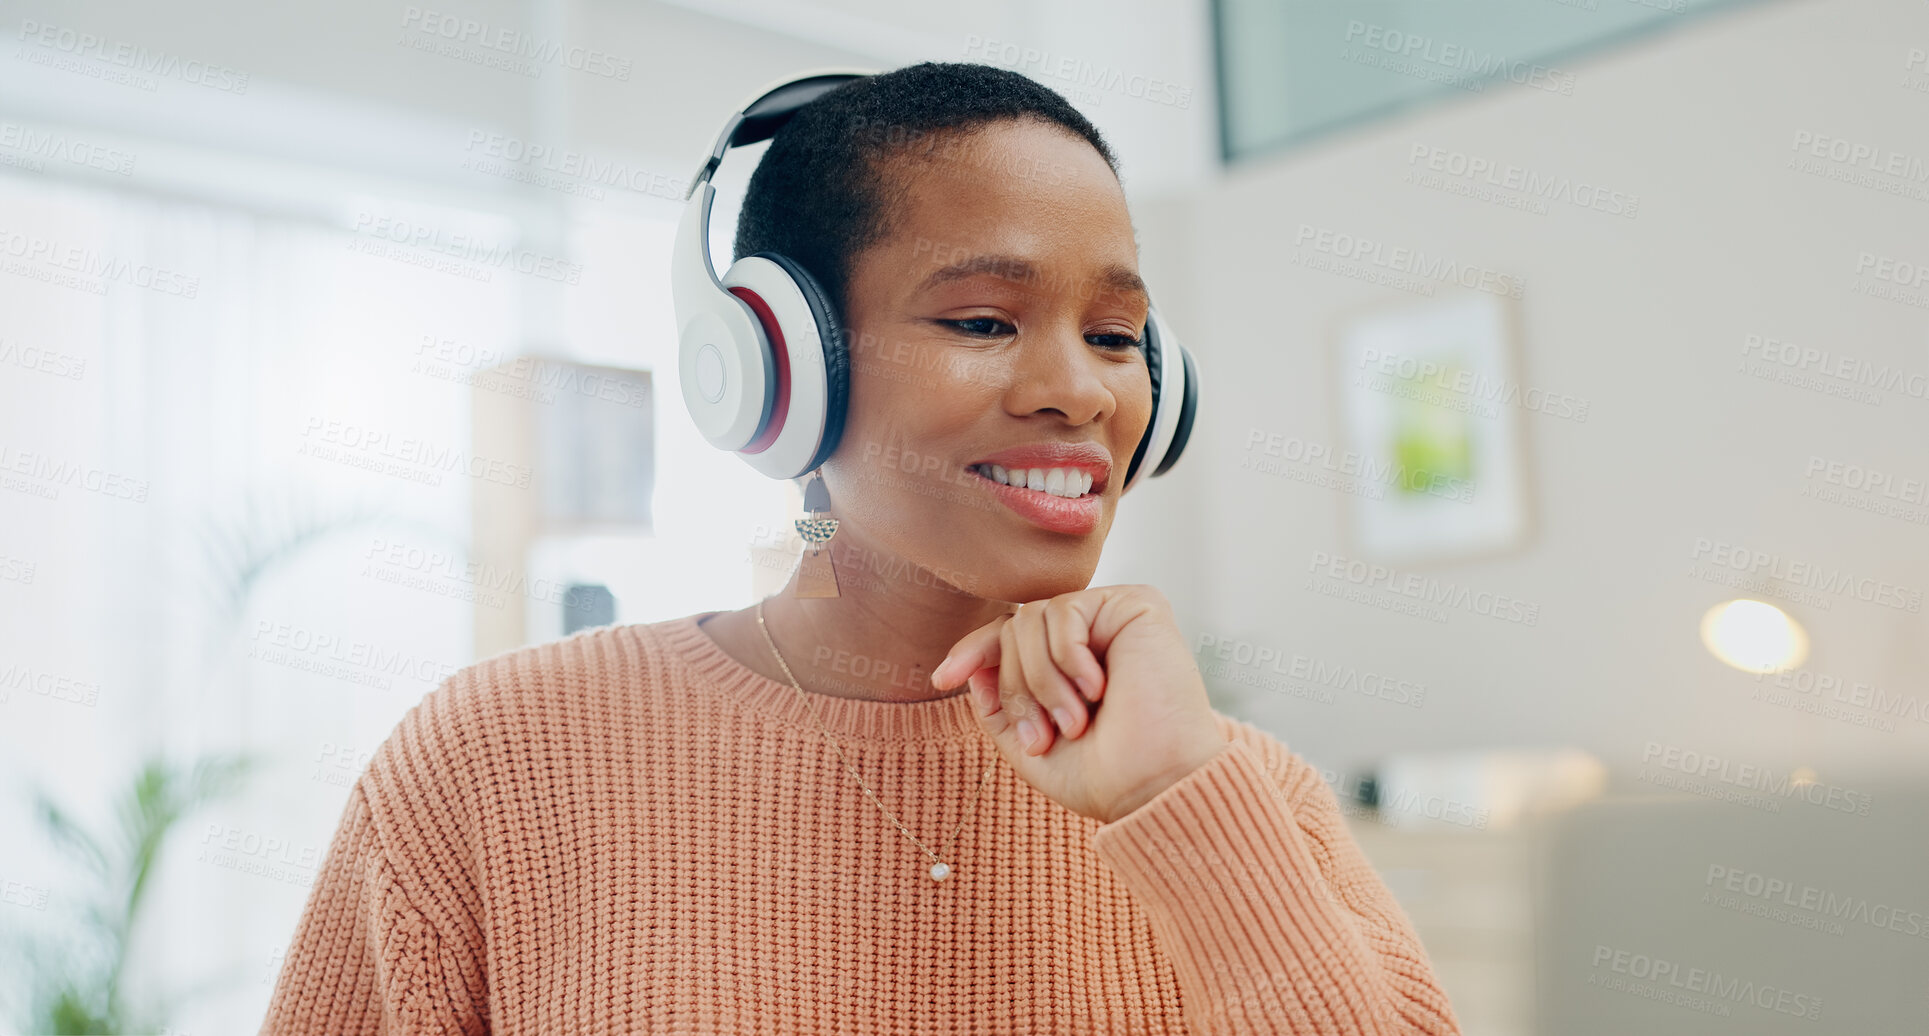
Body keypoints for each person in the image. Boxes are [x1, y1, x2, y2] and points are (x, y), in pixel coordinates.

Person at [259, 61, 1463, 1035]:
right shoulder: (496, 760)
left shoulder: (1240, 793)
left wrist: (1175, 804)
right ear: (781, 367)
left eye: (1113, 334)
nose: (1079, 392)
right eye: (985, 319)